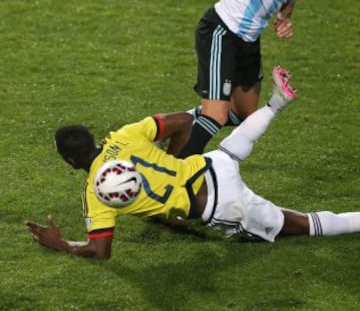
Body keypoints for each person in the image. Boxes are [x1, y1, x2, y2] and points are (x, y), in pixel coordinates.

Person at [25, 67, 360, 259]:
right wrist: (172, 163)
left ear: (70, 161)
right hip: (211, 165)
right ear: (93, 137)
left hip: (218, 204)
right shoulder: (125, 135)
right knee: (234, 148)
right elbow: (185, 122)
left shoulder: (96, 195)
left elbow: (100, 250)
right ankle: (275, 104)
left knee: (300, 225)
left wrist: (62, 244)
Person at [178, 0, 327, 158]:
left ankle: (165, 127)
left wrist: (284, 17)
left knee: (243, 115)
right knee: (215, 115)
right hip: (221, 29)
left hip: (249, 41)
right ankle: (172, 175)